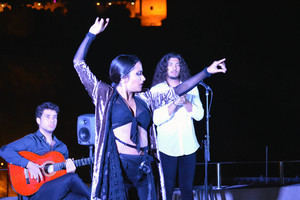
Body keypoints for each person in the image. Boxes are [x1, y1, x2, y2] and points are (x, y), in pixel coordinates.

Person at [72, 17, 226, 200]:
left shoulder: (146, 97)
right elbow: (78, 63)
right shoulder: (104, 95)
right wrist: (91, 34)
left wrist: (206, 72)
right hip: (120, 166)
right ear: (123, 77)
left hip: (144, 163)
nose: (144, 78)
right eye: (138, 73)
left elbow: (177, 90)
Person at [0, 102, 91, 200]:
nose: (52, 120)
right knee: (72, 179)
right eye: (48, 117)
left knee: (81, 198)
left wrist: (70, 171)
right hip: (35, 193)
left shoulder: (62, 147)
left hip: (55, 192)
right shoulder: (31, 140)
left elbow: (62, 178)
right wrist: (28, 164)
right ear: (38, 120)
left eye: (54, 117)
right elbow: (4, 151)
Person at [150, 53, 204, 200]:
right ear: (164, 68)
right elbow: (156, 119)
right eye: (170, 65)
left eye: (177, 64)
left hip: (189, 146)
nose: (174, 68)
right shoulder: (157, 90)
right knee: (166, 189)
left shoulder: (191, 87)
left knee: (187, 189)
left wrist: (186, 102)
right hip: (166, 148)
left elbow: (200, 116)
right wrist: (174, 104)